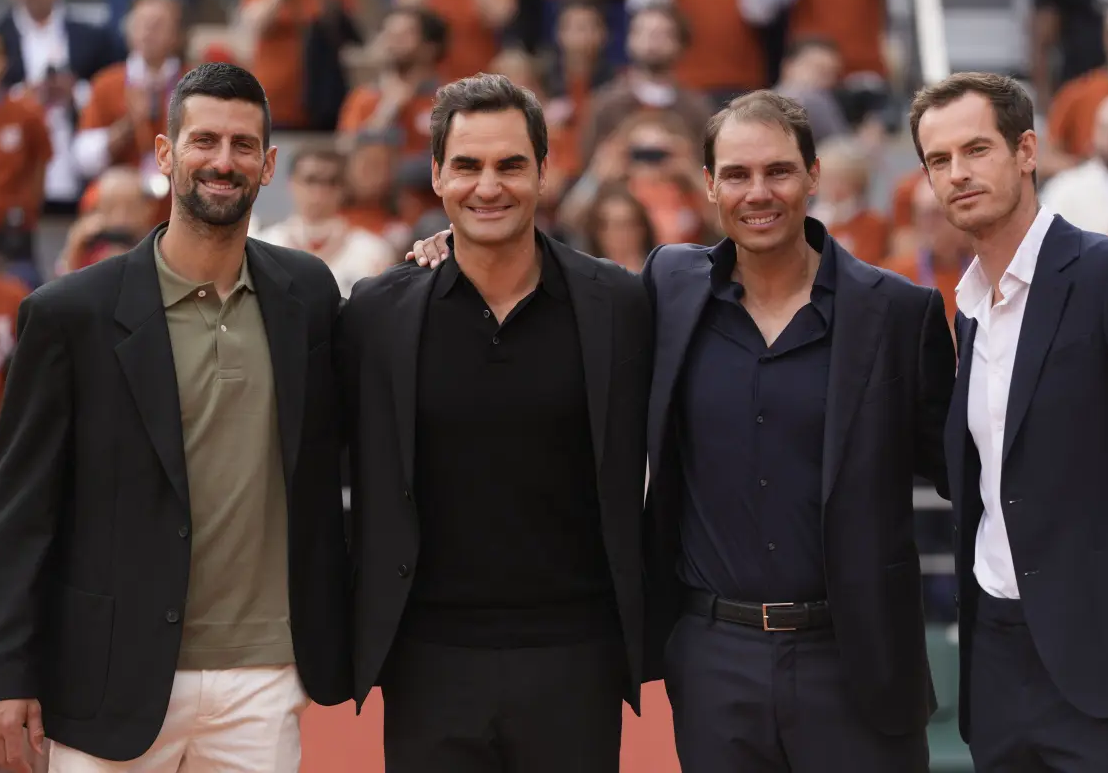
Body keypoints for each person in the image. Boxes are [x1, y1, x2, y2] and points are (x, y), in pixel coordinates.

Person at [409, 89, 956, 772]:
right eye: (736, 174)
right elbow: (551, 279)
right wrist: (455, 245)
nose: (758, 193)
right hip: (712, 658)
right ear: (708, 185)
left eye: (778, 171)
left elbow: (967, 472)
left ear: (813, 176)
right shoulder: (670, 285)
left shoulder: (900, 313)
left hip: (856, 659)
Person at [0, 61, 352, 772]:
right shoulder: (70, 314)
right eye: (205, 141)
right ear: (165, 153)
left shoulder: (306, 293)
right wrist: (8, 675)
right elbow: (20, 513)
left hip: (265, 674)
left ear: (269, 164)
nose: (224, 162)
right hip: (106, 672)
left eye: (244, 146)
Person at [337, 73, 651, 773]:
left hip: (579, 657)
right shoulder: (376, 314)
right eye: (468, 166)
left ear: (544, 171)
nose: (489, 186)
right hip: (428, 661)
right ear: (439, 178)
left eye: (511, 164)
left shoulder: (620, 306)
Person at [911, 71, 1108, 772]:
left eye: (976, 149)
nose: (958, 174)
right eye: (939, 160)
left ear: (1027, 150)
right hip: (999, 667)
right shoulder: (971, 310)